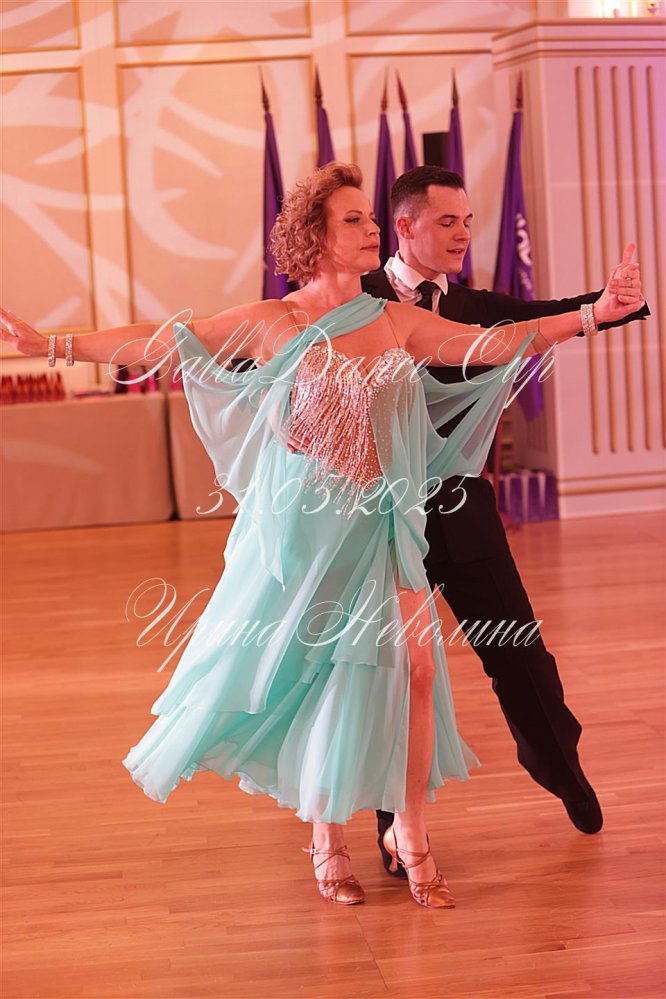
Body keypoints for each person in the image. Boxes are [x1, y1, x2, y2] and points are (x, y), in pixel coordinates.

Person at [0, 163, 640, 910]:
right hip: (310, 530)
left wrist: (594, 313)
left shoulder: (392, 320)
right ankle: (327, 838)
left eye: (371, 218)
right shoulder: (276, 321)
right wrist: (51, 343)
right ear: (315, 236)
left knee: (417, 670)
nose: (371, 229)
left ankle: (410, 831)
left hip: (387, 525)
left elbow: (493, 344)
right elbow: (163, 340)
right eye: (354, 220)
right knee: (323, 680)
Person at [361, 165, 649, 874]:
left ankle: (563, 769)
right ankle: (395, 827)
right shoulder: (357, 301)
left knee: (521, 655)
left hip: (461, 510)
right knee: (392, 672)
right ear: (405, 226)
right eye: (447, 221)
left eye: (467, 220)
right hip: (378, 519)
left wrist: (606, 305)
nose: (464, 234)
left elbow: (540, 317)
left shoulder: (475, 306)